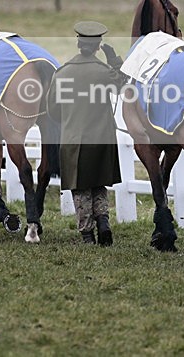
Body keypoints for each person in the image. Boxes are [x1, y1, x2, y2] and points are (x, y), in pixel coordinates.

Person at [47, 21, 124, 245]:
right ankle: (104, 224)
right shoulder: (104, 72)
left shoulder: (62, 73)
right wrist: (114, 60)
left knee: (80, 189)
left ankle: (87, 234)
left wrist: (70, 120)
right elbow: (122, 84)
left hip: (74, 139)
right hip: (102, 139)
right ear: (99, 45)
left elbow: (52, 110)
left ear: (78, 42)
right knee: (99, 184)